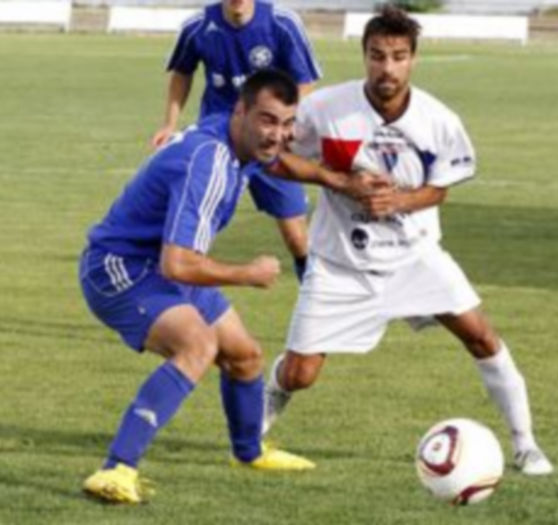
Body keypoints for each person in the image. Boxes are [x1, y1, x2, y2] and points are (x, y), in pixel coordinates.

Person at [262, 5, 554, 476]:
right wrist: (338, 181)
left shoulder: (439, 120)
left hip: (415, 258)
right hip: (340, 263)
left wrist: (398, 201)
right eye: (378, 56)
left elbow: (439, 189)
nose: (388, 68)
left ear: (413, 59)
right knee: (300, 374)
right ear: (364, 55)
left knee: (481, 336)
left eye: (398, 57)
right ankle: (264, 408)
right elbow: (276, 159)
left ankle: (526, 446)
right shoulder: (325, 109)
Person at [80, 70, 379, 504]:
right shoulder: (209, 163)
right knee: (198, 345)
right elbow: (178, 263)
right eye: (267, 120)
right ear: (241, 111)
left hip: (159, 265)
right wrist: (247, 273)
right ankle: (116, 469)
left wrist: (340, 182)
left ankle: (249, 453)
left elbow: (278, 162)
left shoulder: (239, 139)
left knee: (245, 355)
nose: (277, 135)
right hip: (119, 267)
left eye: (287, 123)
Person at [151, 0, 322, 282]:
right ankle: (172, 298)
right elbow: (182, 72)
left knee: (297, 238)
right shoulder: (198, 26)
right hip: (221, 145)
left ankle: (315, 294)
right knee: (193, 234)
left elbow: (305, 82)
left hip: (269, 143)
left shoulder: (282, 23)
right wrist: (170, 123)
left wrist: (283, 124)